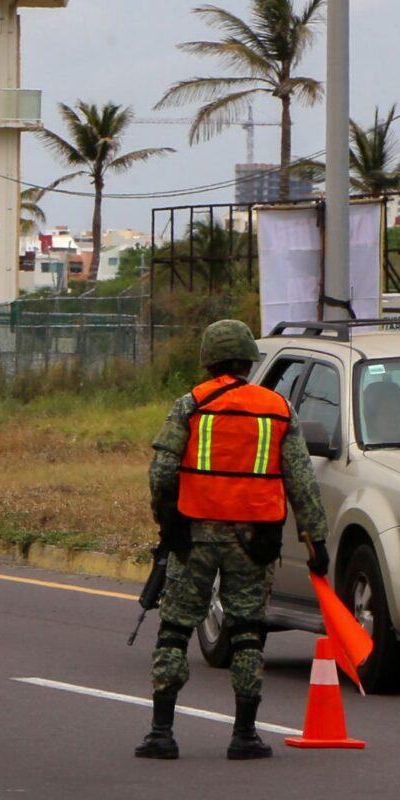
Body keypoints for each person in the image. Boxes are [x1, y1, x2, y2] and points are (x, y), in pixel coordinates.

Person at [137, 319, 327, 761]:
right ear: (248, 362)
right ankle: (244, 736)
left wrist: (167, 522)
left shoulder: (191, 404)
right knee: (246, 633)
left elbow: (161, 472)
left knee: (175, 630)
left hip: (194, 536)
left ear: (208, 360)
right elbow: (302, 482)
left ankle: (161, 734)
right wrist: (315, 539)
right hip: (254, 541)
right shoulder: (278, 408)